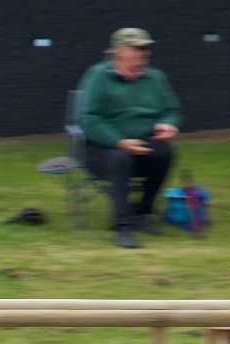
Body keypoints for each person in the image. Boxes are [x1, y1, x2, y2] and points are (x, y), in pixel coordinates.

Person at [77, 28, 182, 249]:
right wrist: (119, 142)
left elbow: (172, 109)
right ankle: (122, 225)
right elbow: (89, 118)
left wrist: (168, 124)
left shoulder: (156, 77)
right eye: (138, 48)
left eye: (146, 48)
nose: (144, 52)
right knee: (120, 158)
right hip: (102, 148)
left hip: (143, 143)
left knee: (165, 153)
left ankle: (141, 212)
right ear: (118, 50)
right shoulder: (98, 76)